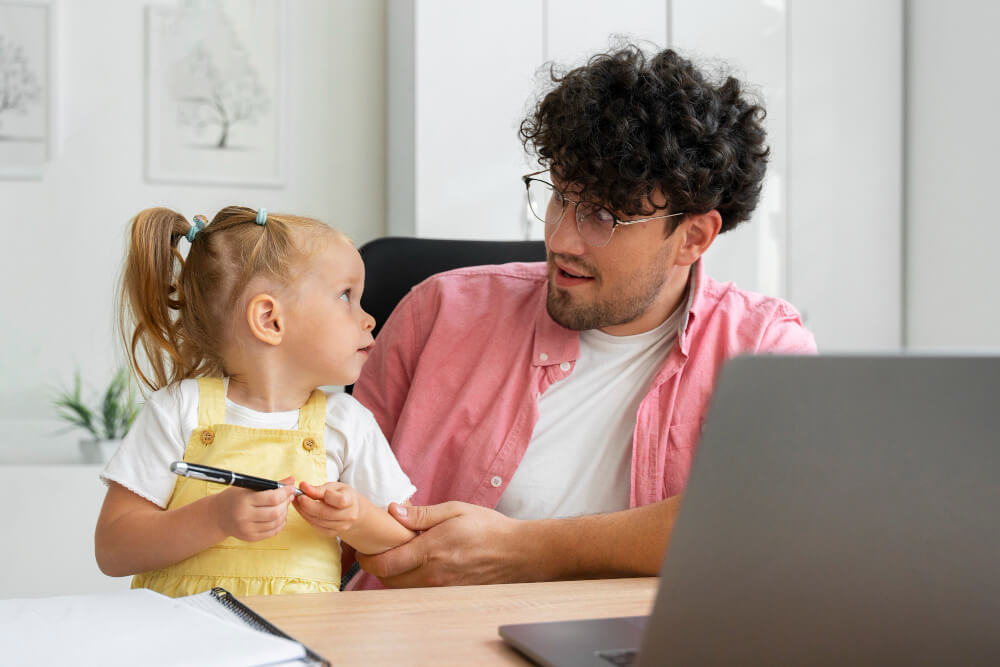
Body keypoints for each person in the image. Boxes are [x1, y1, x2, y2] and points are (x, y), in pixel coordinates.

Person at [346, 45, 816, 589]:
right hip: (410, 627)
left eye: (602, 216)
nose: (561, 240)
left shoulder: (762, 349)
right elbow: (328, 512)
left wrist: (524, 550)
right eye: (559, 198)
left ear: (693, 237)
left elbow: (769, 520)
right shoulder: (439, 312)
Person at [95, 206, 416, 597]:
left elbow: (404, 545)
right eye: (346, 296)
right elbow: (113, 549)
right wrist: (216, 517)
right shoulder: (179, 409)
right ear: (270, 319)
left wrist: (357, 518)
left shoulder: (348, 422)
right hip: (181, 631)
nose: (369, 319)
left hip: (303, 633)